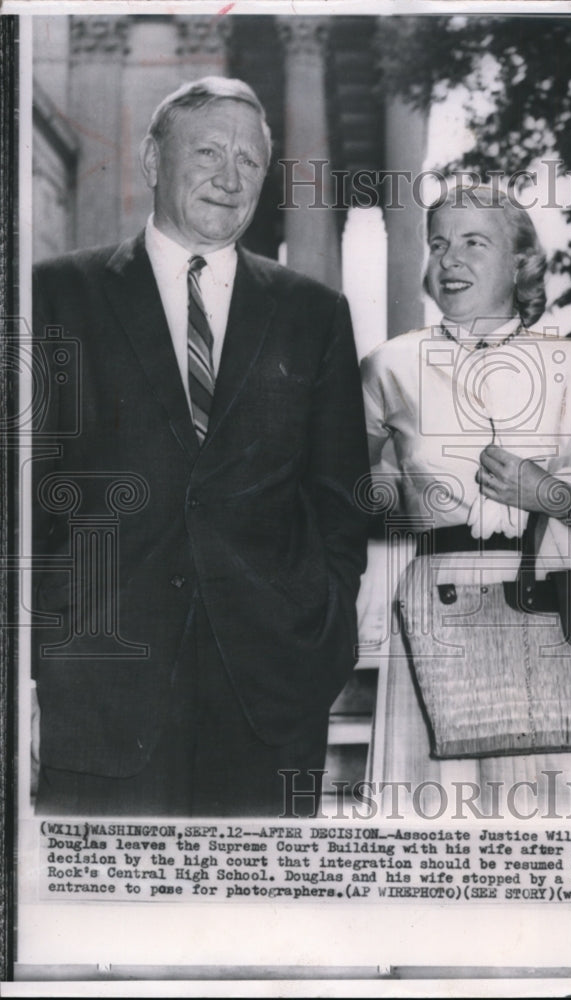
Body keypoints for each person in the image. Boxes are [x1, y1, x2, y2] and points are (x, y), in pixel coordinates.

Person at [32, 77, 369, 817]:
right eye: (209, 152)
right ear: (153, 160)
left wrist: (321, 635)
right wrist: (38, 655)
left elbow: (341, 502)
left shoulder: (314, 315)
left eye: (249, 162)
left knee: (258, 925)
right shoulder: (56, 294)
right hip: (99, 691)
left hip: (268, 700)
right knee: (106, 927)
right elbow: (25, 490)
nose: (229, 177)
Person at [360, 184, 571, 815]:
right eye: (439, 243)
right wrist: (404, 500)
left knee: (566, 831)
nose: (449, 259)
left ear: (520, 263)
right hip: (437, 616)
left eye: (474, 242)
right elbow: (339, 494)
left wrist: (553, 493)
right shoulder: (387, 367)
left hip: (561, 613)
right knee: (434, 831)